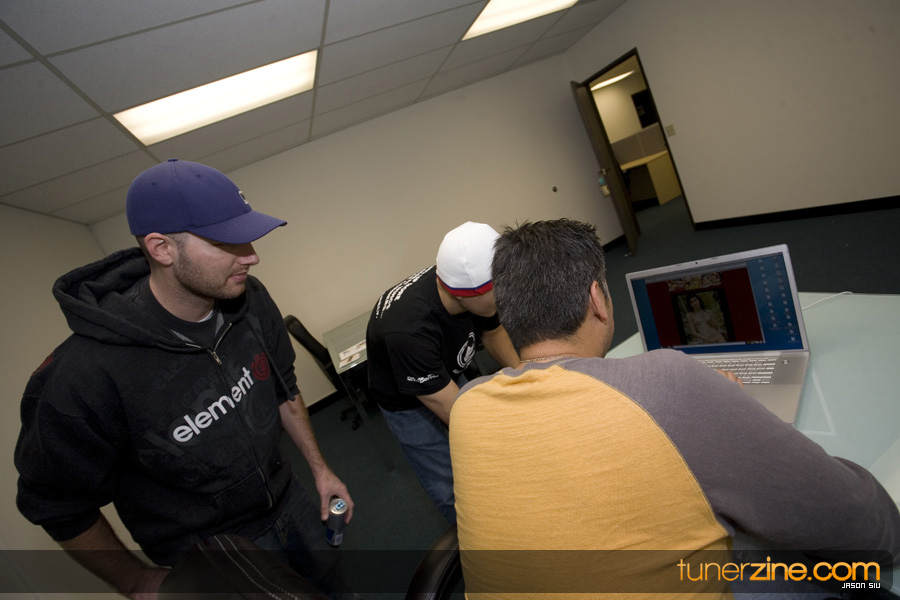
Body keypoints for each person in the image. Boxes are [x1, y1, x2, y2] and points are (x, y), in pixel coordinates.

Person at [449, 219, 900, 598]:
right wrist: (719, 406)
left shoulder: (468, 408)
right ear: (597, 300)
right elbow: (857, 523)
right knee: (812, 563)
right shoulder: (668, 384)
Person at [15, 159, 356, 599]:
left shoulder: (250, 298)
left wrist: (320, 470)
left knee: (336, 589)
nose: (252, 256)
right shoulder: (81, 376)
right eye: (225, 242)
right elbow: (55, 503)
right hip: (216, 551)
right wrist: (135, 581)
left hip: (290, 499)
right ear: (161, 248)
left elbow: (283, 387)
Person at [365, 221, 519, 523]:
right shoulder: (409, 331)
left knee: (481, 454)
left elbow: (493, 332)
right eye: (499, 286)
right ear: (466, 294)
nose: (506, 291)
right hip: (407, 402)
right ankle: (475, 535)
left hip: (442, 365)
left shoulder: (469, 286)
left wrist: (523, 374)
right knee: (448, 480)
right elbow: (459, 414)